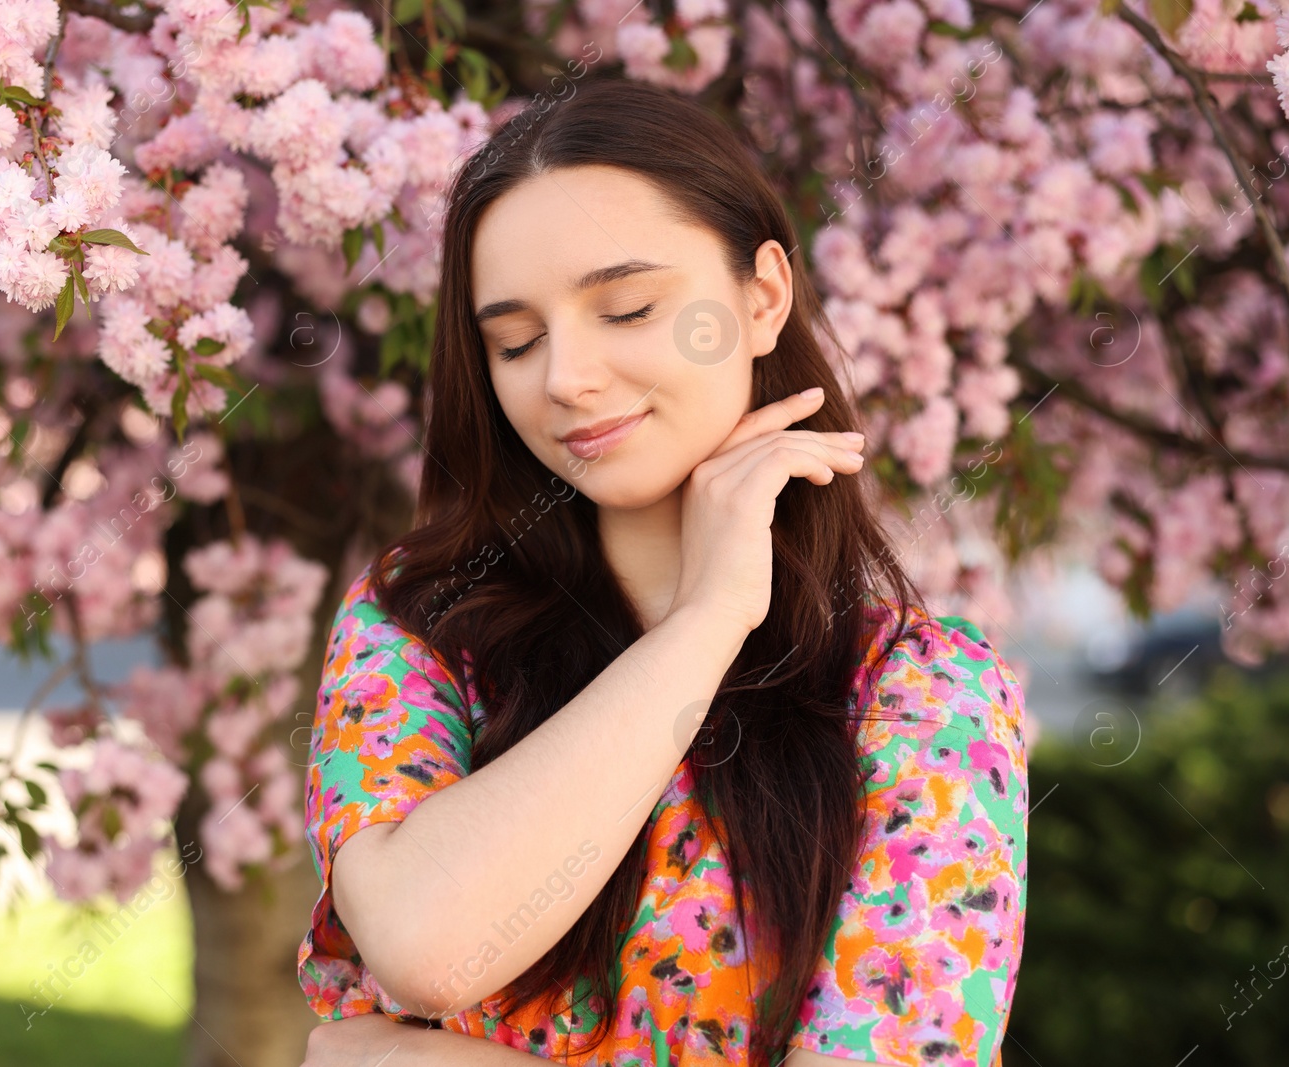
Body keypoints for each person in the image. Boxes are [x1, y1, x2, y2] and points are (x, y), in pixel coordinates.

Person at [296, 78, 1029, 1067]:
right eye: (515, 339)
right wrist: (702, 623)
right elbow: (429, 944)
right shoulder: (420, 624)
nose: (564, 377)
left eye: (627, 307)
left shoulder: (918, 691)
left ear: (761, 296)